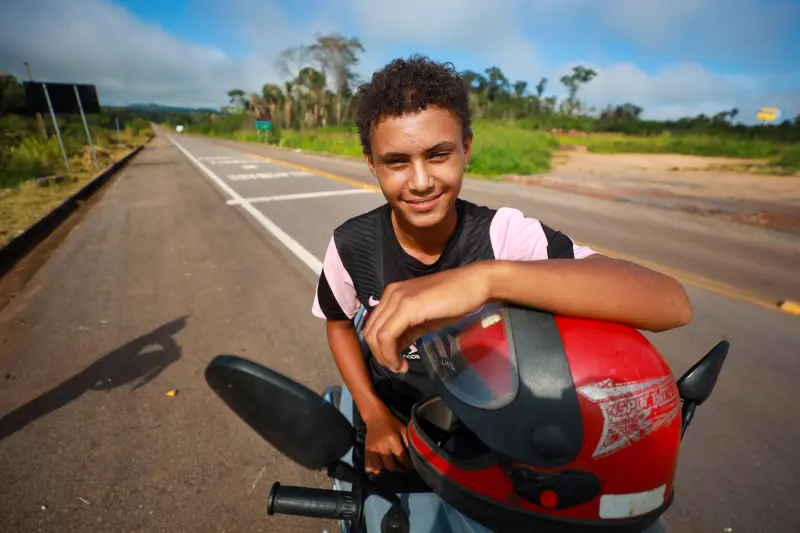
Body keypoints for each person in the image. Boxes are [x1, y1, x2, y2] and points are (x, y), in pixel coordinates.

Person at [312, 55, 693, 476]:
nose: (420, 181)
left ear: (466, 149)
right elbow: (338, 322)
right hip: (398, 425)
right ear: (371, 163)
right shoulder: (350, 244)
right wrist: (373, 413)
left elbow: (671, 305)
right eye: (397, 162)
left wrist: (486, 280)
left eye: (439, 155)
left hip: (494, 434)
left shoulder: (504, 236)